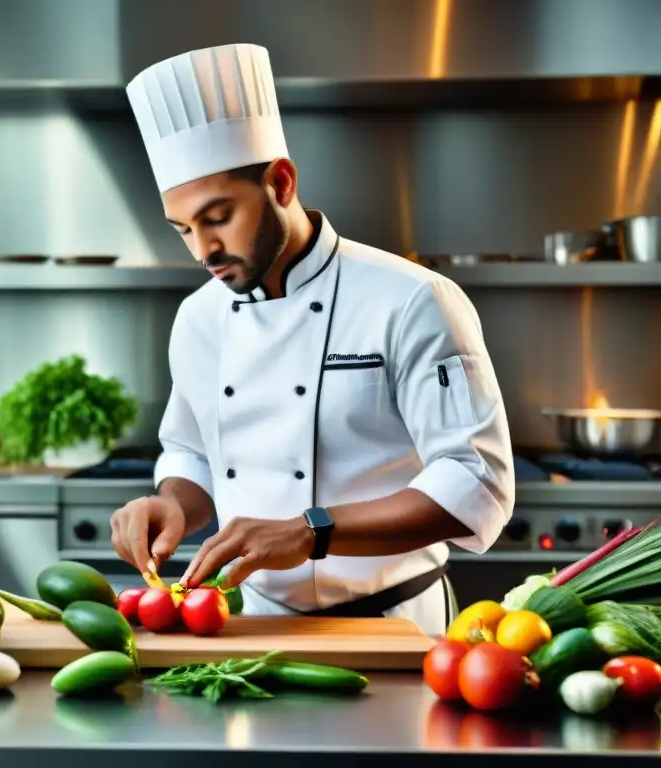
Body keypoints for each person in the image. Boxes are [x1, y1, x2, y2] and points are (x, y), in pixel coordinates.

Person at [109, 43, 515, 637]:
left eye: (218, 216)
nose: (203, 251)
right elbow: (194, 454)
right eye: (184, 230)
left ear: (280, 181)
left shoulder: (412, 300)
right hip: (252, 627)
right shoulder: (198, 319)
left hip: (397, 624)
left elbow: (475, 481)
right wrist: (173, 503)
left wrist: (312, 530)